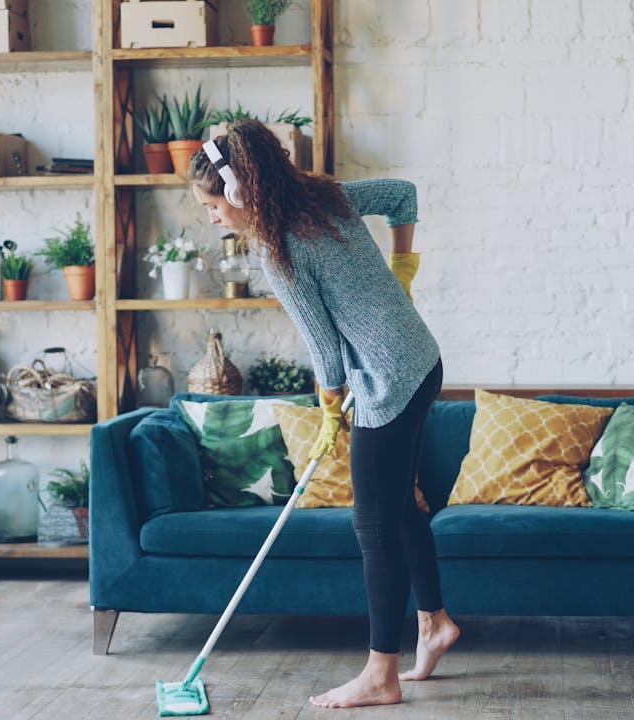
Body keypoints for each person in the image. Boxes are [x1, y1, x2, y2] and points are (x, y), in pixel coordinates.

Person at [187, 119, 460, 708]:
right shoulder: (323, 195)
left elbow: (324, 348)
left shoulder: (276, 247)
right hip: (420, 359)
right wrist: (402, 267)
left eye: (212, 204)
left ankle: (381, 674)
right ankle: (434, 623)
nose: (211, 216)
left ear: (239, 192)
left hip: (388, 381)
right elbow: (402, 196)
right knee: (397, 503)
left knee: (373, 524)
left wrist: (329, 408)